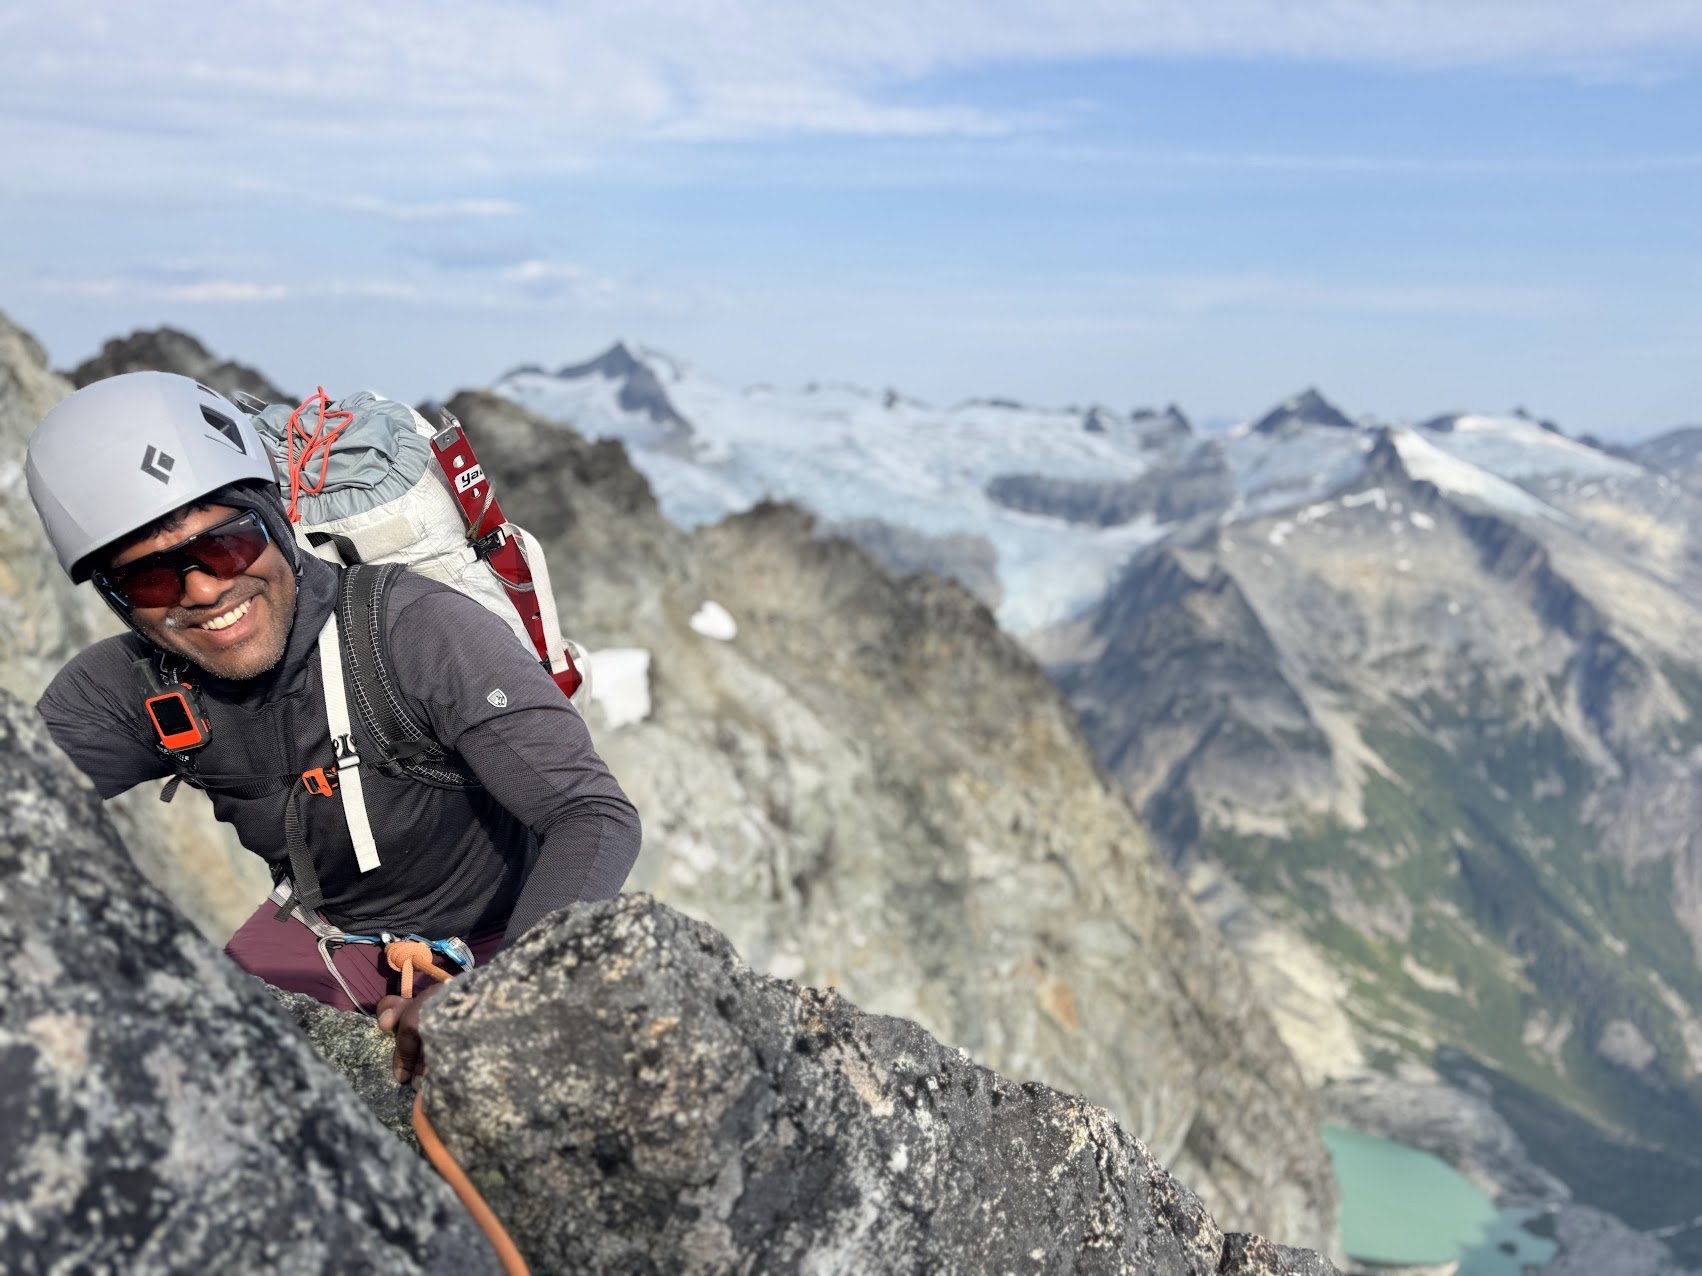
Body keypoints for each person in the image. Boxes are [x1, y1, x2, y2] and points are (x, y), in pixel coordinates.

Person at [27, 371, 642, 1083]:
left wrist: (497, 998)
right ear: (115, 599)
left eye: (227, 545)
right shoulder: (131, 688)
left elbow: (589, 814)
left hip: (508, 932)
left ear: (276, 523)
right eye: (150, 578)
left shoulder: (414, 630)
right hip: (326, 940)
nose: (204, 590)